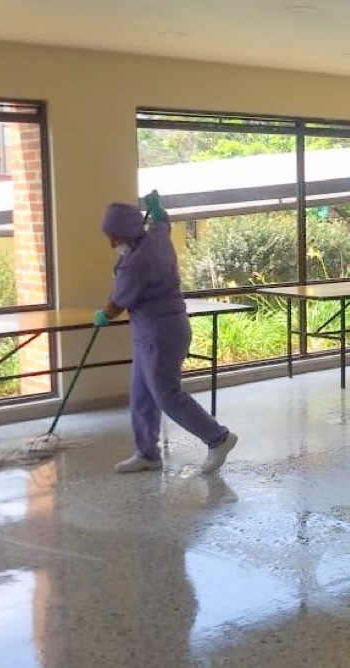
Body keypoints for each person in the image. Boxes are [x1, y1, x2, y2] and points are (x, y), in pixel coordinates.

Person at [95, 192, 237, 474]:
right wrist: (158, 210)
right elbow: (162, 222)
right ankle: (147, 454)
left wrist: (103, 315)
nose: (111, 243)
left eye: (114, 236)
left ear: (125, 233)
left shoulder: (134, 263)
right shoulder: (156, 237)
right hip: (157, 331)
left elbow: (118, 303)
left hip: (160, 335)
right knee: (142, 395)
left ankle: (218, 438)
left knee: (166, 395)